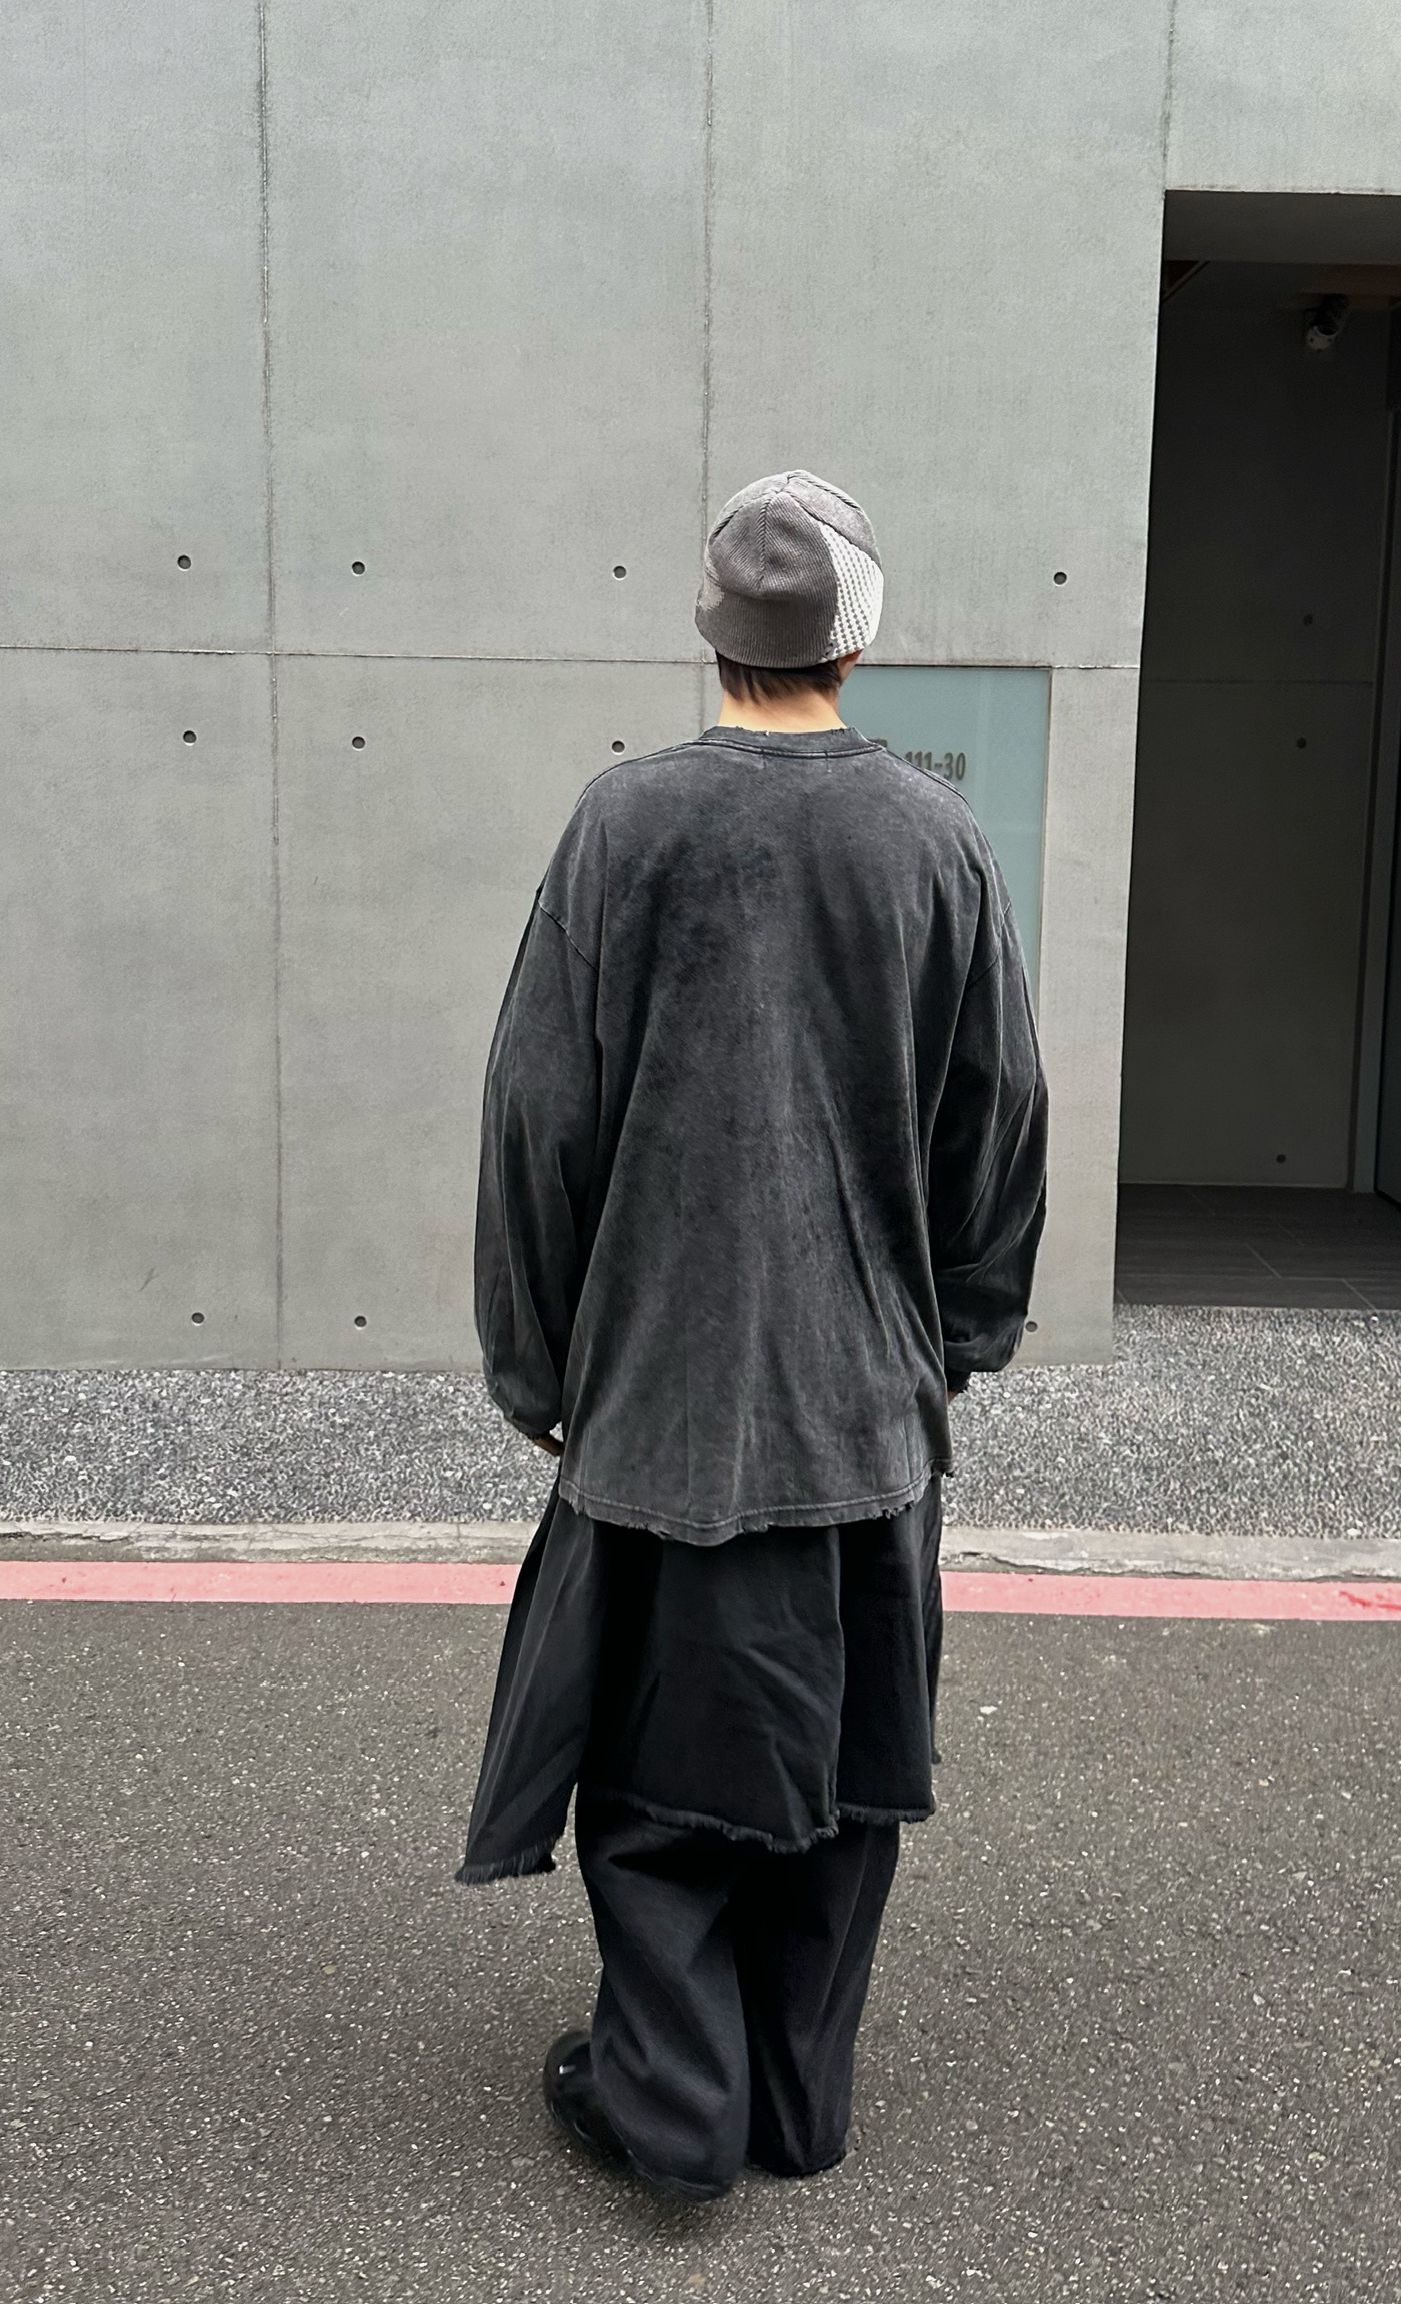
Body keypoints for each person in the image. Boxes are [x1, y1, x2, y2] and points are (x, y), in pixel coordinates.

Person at [457, 469, 1047, 2201]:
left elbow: (537, 1119)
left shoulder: (623, 825)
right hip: (862, 1412)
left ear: (712, 633)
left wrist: (538, 1366)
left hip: (659, 1406)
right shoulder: (934, 838)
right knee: (848, 1768)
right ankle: (793, 2102)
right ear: (858, 640)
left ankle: (669, 2108)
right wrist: (960, 1334)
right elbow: (999, 1116)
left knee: (657, 1781)